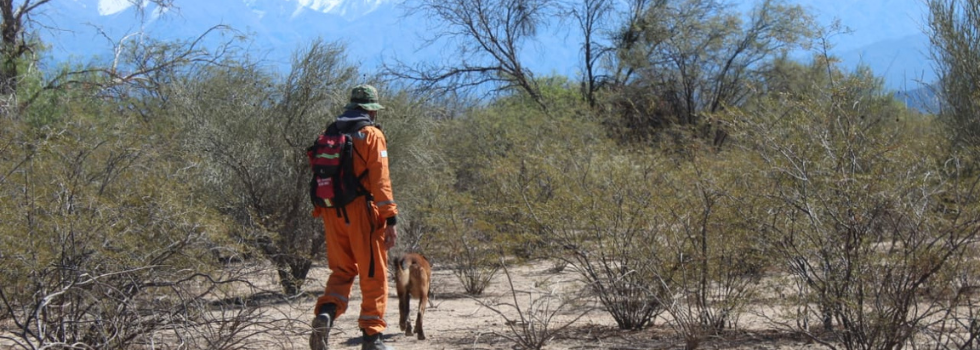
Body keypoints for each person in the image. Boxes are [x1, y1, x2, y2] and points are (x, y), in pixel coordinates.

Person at [310, 84, 398, 350]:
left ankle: (326, 312)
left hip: (330, 210)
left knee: (342, 270)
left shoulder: (329, 132)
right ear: (370, 110)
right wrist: (390, 217)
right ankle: (372, 337)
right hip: (361, 211)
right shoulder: (371, 135)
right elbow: (380, 179)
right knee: (374, 274)